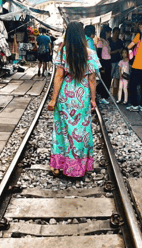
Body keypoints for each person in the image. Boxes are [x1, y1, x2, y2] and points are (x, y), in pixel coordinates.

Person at [47, 21, 101, 178]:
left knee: (61, 131)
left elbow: (58, 76)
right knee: (81, 132)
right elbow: (92, 79)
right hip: (82, 98)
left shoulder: (63, 52)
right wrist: (92, 99)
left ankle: (58, 166)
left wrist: (53, 99)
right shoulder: (90, 53)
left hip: (65, 97)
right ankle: (78, 168)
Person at [127, 19, 142, 112]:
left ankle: (134, 105)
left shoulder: (139, 35)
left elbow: (129, 46)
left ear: (141, 26)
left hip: (137, 65)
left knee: (133, 85)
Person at [96, 25, 112, 104]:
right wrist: (101, 66)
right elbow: (98, 54)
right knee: (104, 80)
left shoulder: (107, 41)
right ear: (106, 32)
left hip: (108, 61)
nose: (110, 34)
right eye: (109, 33)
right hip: (103, 62)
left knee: (108, 80)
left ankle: (105, 96)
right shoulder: (100, 42)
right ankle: (103, 97)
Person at [109, 27, 124, 97]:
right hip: (111, 61)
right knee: (110, 77)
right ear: (113, 33)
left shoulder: (120, 42)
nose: (117, 34)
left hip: (118, 62)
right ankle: (108, 92)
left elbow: (122, 51)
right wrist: (117, 51)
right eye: (116, 33)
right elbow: (107, 52)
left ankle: (115, 93)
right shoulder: (109, 41)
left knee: (117, 78)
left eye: (118, 33)